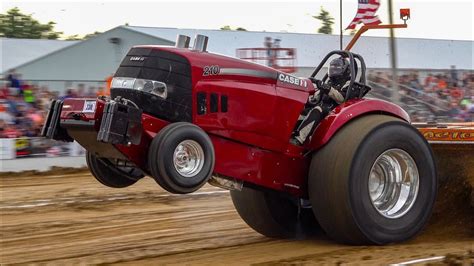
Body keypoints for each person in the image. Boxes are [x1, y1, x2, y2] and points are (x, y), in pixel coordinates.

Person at [291, 57, 356, 145]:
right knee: (302, 108)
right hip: (322, 108)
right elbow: (317, 98)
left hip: (336, 113)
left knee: (317, 109)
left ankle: (298, 140)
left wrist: (325, 87)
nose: (334, 70)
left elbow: (341, 99)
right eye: (332, 67)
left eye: (337, 68)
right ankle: (287, 133)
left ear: (345, 70)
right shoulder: (330, 82)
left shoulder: (350, 84)